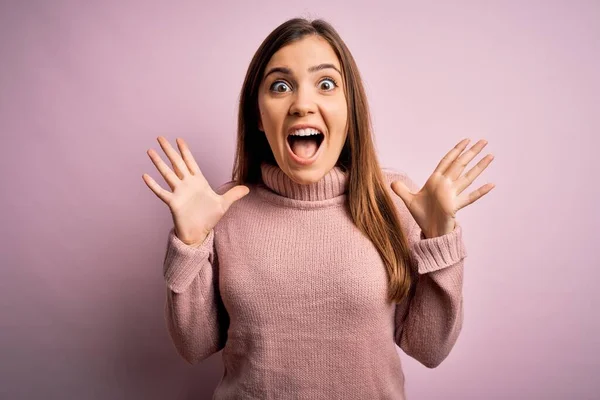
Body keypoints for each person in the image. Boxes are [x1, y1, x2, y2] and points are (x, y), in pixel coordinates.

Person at [142, 17, 495, 400]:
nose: (302, 104)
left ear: (349, 109)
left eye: (325, 84)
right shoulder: (224, 209)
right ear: (258, 116)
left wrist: (439, 239)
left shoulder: (395, 201)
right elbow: (193, 347)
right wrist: (189, 242)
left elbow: (429, 350)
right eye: (280, 86)